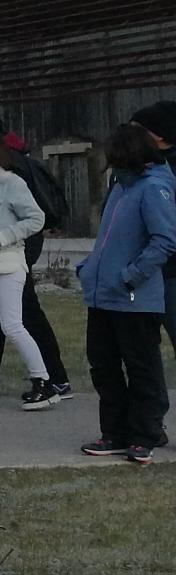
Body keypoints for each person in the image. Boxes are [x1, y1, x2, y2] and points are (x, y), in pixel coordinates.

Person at [76, 122, 176, 463]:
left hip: (135, 299)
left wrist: (131, 276)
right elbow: (108, 238)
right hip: (101, 295)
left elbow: (164, 240)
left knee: (141, 366)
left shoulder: (155, 188)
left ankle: (145, 433)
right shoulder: (119, 187)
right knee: (103, 365)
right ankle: (114, 432)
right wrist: (88, 270)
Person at [0, 111, 74, 401]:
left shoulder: (12, 169)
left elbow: (30, 216)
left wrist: (4, 238)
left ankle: (50, 379)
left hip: (13, 252)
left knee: (16, 320)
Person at [136, 102, 176, 363]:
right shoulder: (139, 168)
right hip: (149, 271)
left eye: (138, 131)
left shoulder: (164, 172)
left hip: (170, 272)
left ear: (159, 136)